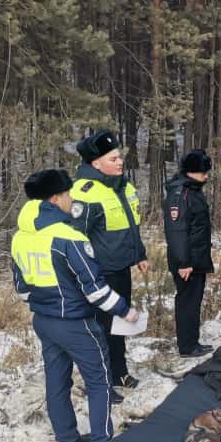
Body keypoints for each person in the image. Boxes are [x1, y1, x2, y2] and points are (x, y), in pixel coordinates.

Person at [12, 169, 139, 442]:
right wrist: (124, 310)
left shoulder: (20, 237)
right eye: (68, 194)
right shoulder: (68, 237)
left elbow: (22, 290)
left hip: (43, 321)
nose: (72, 200)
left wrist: (49, 299)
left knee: (56, 381)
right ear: (56, 198)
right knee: (99, 380)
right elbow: (95, 290)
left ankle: (67, 441)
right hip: (75, 322)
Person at [69, 130, 148, 399]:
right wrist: (85, 273)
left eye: (119, 157)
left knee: (120, 325)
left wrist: (139, 255)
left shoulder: (122, 186)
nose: (119, 162)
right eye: (113, 158)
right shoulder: (86, 192)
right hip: (98, 275)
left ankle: (119, 372)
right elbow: (75, 238)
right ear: (95, 164)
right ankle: (100, 383)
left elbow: (130, 225)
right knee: (100, 330)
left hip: (121, 269)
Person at [164, 148, 214, 357]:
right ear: (191, 172)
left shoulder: (192, 191)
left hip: (196, 258)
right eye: (203, 172)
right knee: (187, 303)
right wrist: (184, 262)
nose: (206, 176)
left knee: (193, 302)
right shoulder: (180, 194)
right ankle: (187, 346)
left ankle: (192, 342)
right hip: (187, 262)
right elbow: (177, 232)